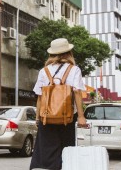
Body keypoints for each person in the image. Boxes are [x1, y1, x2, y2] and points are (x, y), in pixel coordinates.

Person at [30, 38, 87, 170]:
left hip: (47, 118)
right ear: (68, 53)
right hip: (66, 117)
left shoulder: (44, 71)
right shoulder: (74, 69)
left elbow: (40, 97)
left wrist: (37, 118)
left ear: (52, 54)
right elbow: (77, 92)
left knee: (46, 153)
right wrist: (80, 116)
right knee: (66, 152)